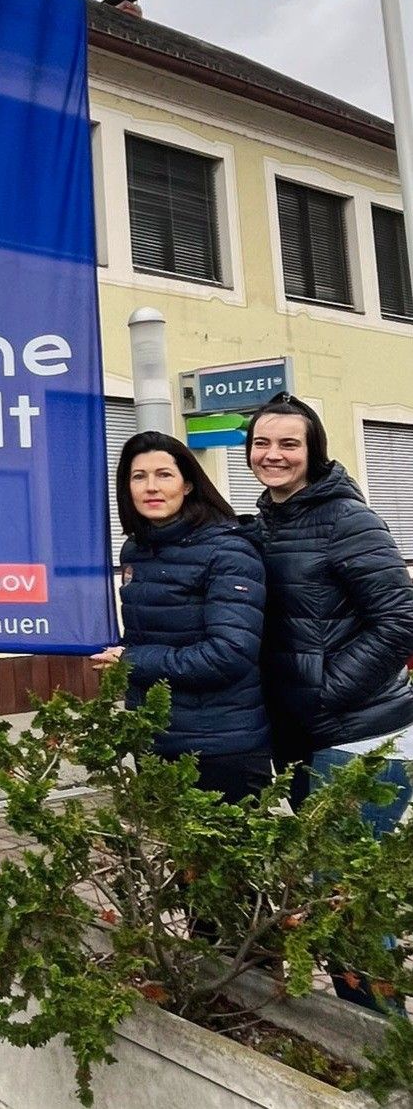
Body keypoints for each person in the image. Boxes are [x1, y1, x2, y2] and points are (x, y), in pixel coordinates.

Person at [246, 391, 413, 1008]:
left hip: (363, 734)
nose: (274, 454)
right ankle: (373, 1038)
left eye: (290, 443)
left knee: (345, 906)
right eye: (263, 442)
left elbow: (399, 621)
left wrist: (324, 694)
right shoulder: (261, 523)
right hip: (306, 737)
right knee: (332, 898)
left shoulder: (351, 520)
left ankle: (382, 1054)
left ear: (314, 452)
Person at [91, 430, 271, 801]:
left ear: (188, 484)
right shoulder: (137, 549)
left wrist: (131, 661)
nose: (151, 487)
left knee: (225, 858)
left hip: (221, 747)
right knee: (175, 860)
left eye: (164, 475)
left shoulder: (228, 551)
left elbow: (229, 654)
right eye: (138, 476)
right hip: (155, 736)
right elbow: (148, 635)